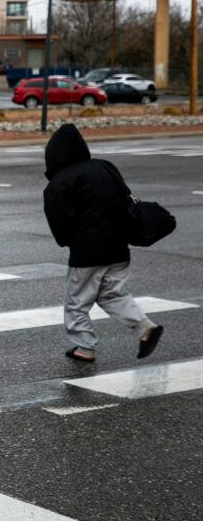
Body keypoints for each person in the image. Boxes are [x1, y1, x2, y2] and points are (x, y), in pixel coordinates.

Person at [43, 123, 163, 363]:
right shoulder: (104, 166)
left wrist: (68, 242)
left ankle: (84, 347)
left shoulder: (59, 182)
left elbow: (60, 224)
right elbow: (125, 197)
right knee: (113, 295)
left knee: (77, 302)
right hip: (119, 247)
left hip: (87, 252)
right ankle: (145, 328)